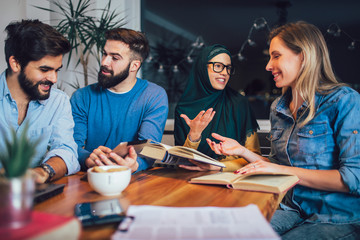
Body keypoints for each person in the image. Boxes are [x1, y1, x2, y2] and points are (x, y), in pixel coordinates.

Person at [207, 21, 360, 239]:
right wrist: (242, 151)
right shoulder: (278, 108)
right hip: (293, 209)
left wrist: (283, 171)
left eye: (276, 56)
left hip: (336, 216)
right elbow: (279, 166)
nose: (268, 66)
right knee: (232, 234)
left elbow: (354, 179)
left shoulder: (344, 101)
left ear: (303, 56)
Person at [71, 28, 168, 173]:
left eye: (114, 58)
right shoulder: (82, 97)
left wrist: (134, 165)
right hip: (92, 177)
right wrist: (87, 158)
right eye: (104, 54)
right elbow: (72, 146)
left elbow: (149, 149)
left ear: (134, 65)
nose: (104, 62)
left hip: (136, 181)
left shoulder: (154, 96)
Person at [0, 19, 79, 183]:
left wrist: (43, 172)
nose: (54, 79)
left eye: (56, 70)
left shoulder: (58, 101)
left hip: (33, 196)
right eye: (44, 69)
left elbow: (67, 151)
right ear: (15, 63)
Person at [174, 44, 260, 172]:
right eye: (218, 66)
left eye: (228, 68)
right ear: (202, 68)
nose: (225, 73)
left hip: (233, 178)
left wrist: (218, 167)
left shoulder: (239, 103)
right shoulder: (183, 108)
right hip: (192, 179)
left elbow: (255, 158)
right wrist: (194, 135)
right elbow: (182, 162)